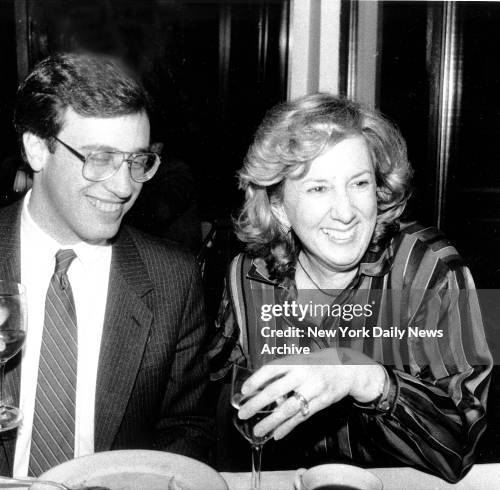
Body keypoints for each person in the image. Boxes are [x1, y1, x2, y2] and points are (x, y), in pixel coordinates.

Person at [0, 53, 212, 478]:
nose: (123, 186)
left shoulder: (173, 277)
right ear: (37, 149)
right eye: (99, 158)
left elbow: (187, 430)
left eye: (137, 160)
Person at [209, 93, 492, 482]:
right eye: (319, 188)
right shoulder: (247, 278)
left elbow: (464, 445)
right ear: (278, 209)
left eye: (359, 183)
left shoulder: (431, 270)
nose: (345, 212)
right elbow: (207, 388)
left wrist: (365, 376)